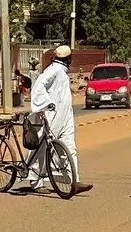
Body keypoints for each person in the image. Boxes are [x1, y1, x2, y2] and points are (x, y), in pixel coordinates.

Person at [25, 46, 93, 194]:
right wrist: (44, 105)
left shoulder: (61, 72)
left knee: (69, 148)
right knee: (42, 149)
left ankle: (74, 180)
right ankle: (36, 182)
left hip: (65, 117)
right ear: (68, 59)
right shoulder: (53, 71)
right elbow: (38, 86)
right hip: (51, 117)